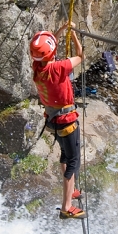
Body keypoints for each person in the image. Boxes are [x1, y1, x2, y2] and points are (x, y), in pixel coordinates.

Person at [30, 22, 85, 219]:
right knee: (73, 161)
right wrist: (74, 36)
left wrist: (61, 31)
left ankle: (71, 191)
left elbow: (47, 52)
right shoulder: (60, 67)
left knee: (64, 154)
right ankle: (67, 207)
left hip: (53, 121)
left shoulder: (37, 68)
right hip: (67, 121)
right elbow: (80, 56)